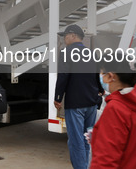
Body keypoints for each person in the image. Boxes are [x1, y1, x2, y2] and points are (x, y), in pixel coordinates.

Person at [53, 24, 104, 169]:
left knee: (76, 142)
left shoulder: (66, 52)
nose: (63, 39)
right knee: (87, 140)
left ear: (73, 35)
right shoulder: (91, 53)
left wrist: (58, 97)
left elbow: (63, 75)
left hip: (75, 104)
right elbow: (96, 75)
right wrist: (100, 90)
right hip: (91, 103)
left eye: (65, 35)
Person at [89, 60, 136, 168]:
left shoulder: (116, 108)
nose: (100, 78)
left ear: (110, 76)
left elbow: (105, 159)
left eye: (102, 73)